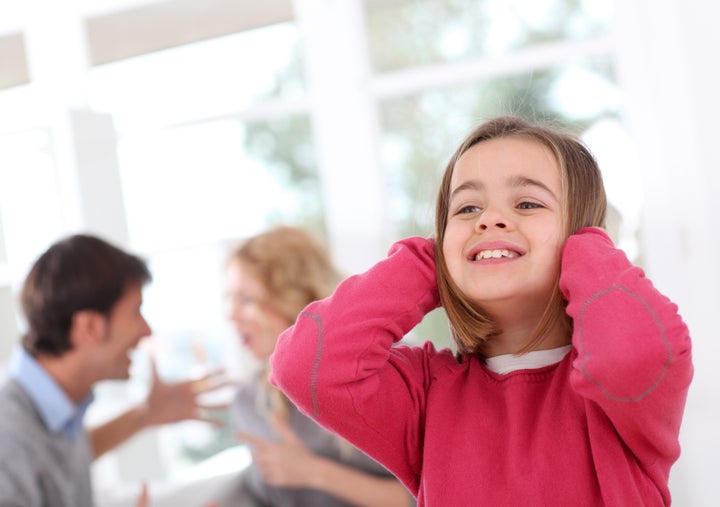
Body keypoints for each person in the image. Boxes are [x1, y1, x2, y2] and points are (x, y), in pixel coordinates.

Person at [269, 116, 693, 506]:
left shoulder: (622, 394)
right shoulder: (428, 395)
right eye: (467, 208)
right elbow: (305, 366)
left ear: (581, 233)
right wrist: (431, 261)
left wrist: (588, 246)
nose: (489, 219)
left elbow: (629, 356)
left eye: (528, 204)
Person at [0, 234, 224, 507]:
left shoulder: (49, 407)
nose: (146, 330)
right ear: (90, 327)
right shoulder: (9, 437)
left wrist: (145, 414)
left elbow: (59, 460)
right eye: (135, 312)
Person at [226, 225, 413, 507]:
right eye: (230, 299)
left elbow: (429, 496)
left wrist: (313, 472)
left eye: (247, 300)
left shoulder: (383, 371)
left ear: (293, 296)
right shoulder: (249, 401)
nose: (231, 315)